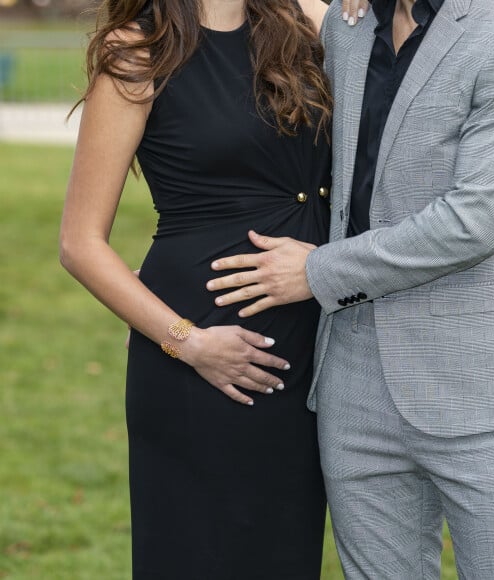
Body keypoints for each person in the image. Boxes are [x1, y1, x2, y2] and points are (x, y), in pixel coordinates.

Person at [207, 0, 494, 577]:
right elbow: (274, 162)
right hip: (353, 389)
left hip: (480, 389)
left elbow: (472, 223)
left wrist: (317, 273)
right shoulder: (345, 27)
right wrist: (170, 308)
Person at [59, 0, 367, 577]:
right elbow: (79, 242)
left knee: (283, 554)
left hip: (311, 347)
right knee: (197, 554)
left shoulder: (305, 23)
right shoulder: (137, 53)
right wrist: (184, 341)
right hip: (202, 350)